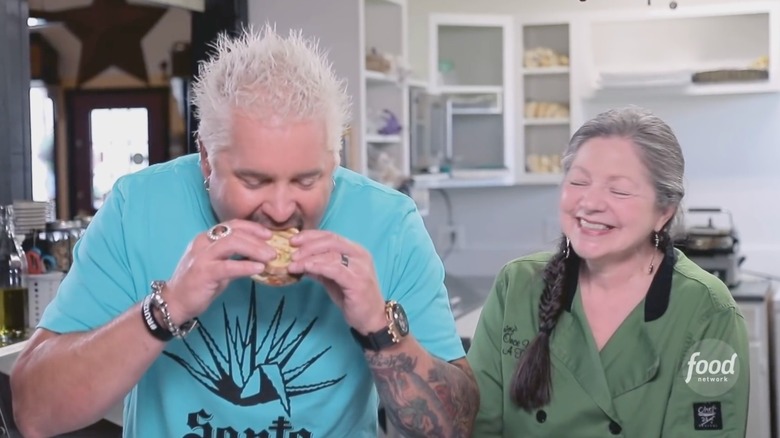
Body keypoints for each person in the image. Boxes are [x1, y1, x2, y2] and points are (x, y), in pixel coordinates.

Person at [10, 26, 478, 438]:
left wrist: (379, 327)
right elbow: (34, 413)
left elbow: (456, 427)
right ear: (206, 158)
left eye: (307, 180)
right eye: (254, 181)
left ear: (334, 159)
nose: (281, 210)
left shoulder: (389, 223)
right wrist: (167, 308)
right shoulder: (138, 207)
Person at [467, 106, 750, 437]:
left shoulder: (708, 311)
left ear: (664, 212)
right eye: (578, 181)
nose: (590, 203)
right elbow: (477, 424)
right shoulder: (516, 286)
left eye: (619, 190)